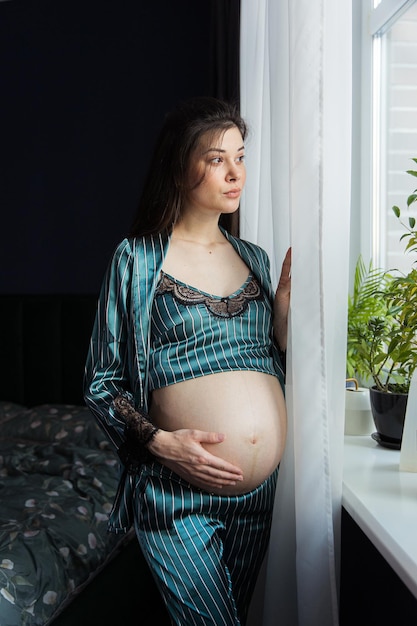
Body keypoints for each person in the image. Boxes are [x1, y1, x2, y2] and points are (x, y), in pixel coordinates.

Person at [84, 96, 291, 626]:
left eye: (240, 156)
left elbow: (269, 362)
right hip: (176, 495)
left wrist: (286, 317)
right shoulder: (137, 258)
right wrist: (160, 441)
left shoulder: (255, 259)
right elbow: (101, 383)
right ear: (179, 166)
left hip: (257, 498)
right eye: (216, 158)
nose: (234, 172)